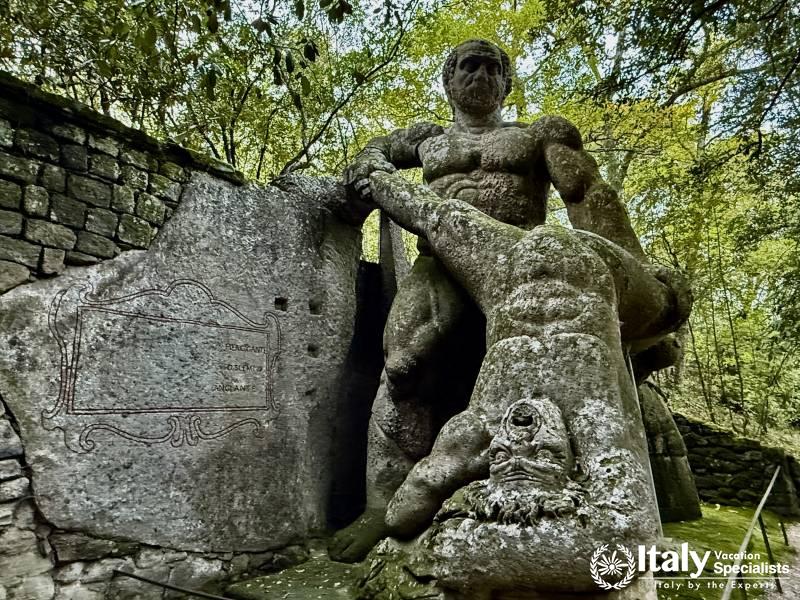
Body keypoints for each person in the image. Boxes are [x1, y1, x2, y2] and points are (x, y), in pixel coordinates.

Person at [329, 38, 680, 562]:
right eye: (468, 65)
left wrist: (629, 272)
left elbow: (585, 193)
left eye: (493, 67)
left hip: (516, 263)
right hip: (439, 262)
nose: (481, 74)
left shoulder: (537, 134)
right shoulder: (426, 140)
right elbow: (375, 150)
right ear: (448, 80)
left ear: (507, 82)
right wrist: (368, 167)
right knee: (401, 366)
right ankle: (381, 504)